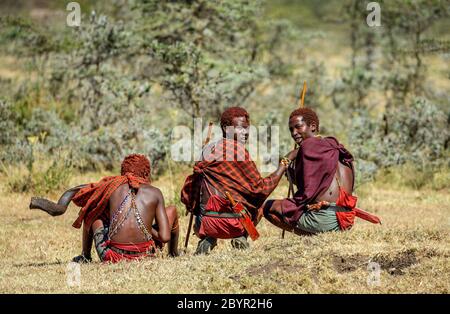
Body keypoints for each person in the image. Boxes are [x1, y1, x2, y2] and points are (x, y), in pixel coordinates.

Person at [181, 107, 296, 254]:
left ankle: (208, 238)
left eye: (247, 129)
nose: (245, 133)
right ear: (225, 128)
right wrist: (284, 163)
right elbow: (261, 189)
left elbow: (194, 194)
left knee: (206, 205)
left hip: (205, 222)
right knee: (258, 203)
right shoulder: (238, 150)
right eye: (240, 128)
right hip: (234, 223)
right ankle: (241, 236)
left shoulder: (207, 149)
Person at [30, 154, 179, 263]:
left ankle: (85, 255)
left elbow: (86, 195)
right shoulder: (155, 192)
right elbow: (164, 237)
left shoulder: (111, 186)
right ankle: (173, 254)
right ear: (146, 173)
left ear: (123, 171)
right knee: (172, 210)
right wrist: (146, 226)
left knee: (92, 210)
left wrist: (60, 206)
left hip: (112, 256)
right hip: (146, 255)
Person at [263, 107, 380, 235]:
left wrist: (289, 157)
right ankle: (317, 233)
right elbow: (317, 186)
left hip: (325, 219)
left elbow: (306, 194)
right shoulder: (334, 146)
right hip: (346, 219)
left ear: (313, 126)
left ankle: (311, 236)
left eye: (298, 127)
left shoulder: (307, 147)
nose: (294, 133)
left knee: (268, 207)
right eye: (291, 129)